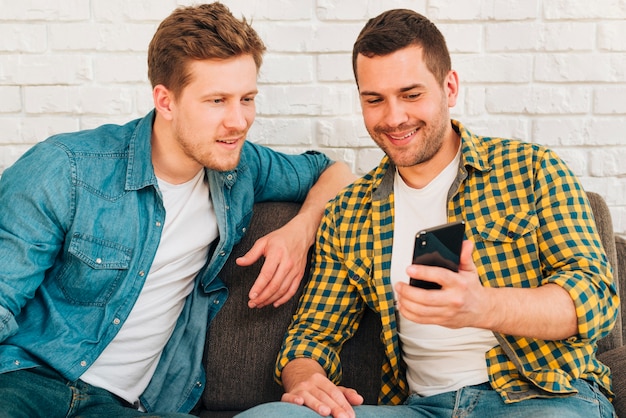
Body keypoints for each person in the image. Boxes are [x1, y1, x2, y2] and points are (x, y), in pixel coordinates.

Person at [238, 8, 619, 418]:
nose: (394, 117)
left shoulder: (531, 169)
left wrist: (484, 306)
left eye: (411, 94)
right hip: (421, 409)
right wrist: (304, 378)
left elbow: (595, 299)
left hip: (541, 398)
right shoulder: (349, 214)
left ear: (449, 87)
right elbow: (312, 336)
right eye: (374, 100)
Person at [0, 3, 355, 417]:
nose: (238, 121)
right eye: (217, 100)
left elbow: (335, 171)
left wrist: (300, 231)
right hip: (26, 381)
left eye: (247, 99)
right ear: (165, 101)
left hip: (123, 407)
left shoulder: (240, 168)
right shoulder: (66, 168)